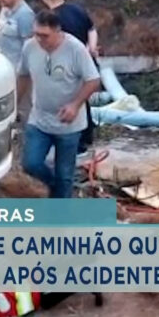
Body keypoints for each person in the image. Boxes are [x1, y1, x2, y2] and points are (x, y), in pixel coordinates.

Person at [17, 10, 101, 198]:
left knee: (65, 174)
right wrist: (15, 103)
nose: (39, 39)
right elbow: (23, 75)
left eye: (44, 36)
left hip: (68, 125)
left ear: (57, 31)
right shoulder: (30, 47)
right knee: (31, 164)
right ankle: (56, 189)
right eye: (36, 34)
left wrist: (75, 105)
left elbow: (93, 80)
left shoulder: (75, 49)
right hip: (39, 119)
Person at [40, 0, 100, 152]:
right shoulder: (77, 9)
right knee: (82, 99)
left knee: (72, 102)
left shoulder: (52, 19)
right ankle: (88, 134)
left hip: (68, 66)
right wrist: (91, 48)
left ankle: (79, 141)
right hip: (87, 63)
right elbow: (92, 29)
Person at [0, 0, 35, 69]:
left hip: (15, 69)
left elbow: (29, 46)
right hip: (1, 64)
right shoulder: (5, 8)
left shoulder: (25, 14)